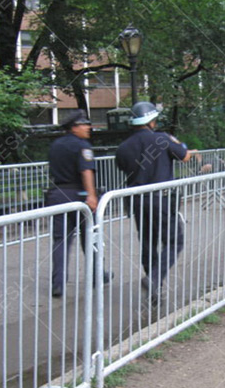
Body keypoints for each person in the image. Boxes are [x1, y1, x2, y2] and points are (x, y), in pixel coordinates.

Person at [115, 101, 197, 302]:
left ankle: (155, 291)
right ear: (151, 120)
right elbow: (184, 156)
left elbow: (122, 167)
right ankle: (154, 279)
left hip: (137, 201)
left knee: (148, 244)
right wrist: (177, 142)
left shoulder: (124, 147)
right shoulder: (162, 139)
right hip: (161, 199)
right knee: (174, 241)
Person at [45, 109, 109, 298]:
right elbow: (86, 171)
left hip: (57, 194)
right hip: (78, 194)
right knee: (90, 237)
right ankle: (97, 275)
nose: (88, 127)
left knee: (61, 241)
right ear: (74, 127)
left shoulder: (55, 145)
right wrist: (91, 195)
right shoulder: (83, 146)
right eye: (84, 124)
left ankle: (58, 283)